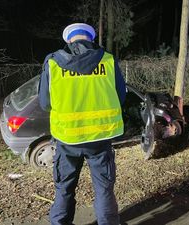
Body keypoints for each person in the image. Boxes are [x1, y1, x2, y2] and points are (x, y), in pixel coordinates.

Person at [38, 23, 126, 225]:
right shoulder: (108, 60)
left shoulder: (53, 62)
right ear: (91, 39)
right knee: (104, 188)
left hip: (68, 139)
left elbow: (44, 103)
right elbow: (120, 96)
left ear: (69, 40)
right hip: (100, 138)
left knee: (65, 188)